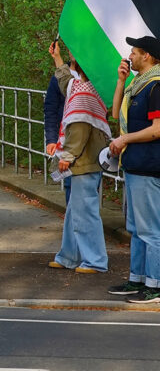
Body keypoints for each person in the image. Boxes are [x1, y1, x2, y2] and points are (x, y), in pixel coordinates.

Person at [46, 41, 109, 274]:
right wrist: (58, 59)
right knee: (75, 211)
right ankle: (69, 256)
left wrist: (68, 156)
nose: (71, 55)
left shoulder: (82, 94)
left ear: (79, 65)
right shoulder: (84, 87)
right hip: (86, 161)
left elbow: (79, 128)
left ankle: (95, 260)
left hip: (83, 161)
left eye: (74, 54)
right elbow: (65, 82)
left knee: (85, 212)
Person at [107, 35, 160, 304]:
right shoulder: (136, 86)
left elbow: (157, 129)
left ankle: (156, 285)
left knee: (150, 229)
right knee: (137, 228)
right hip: (135, 166)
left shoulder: (156, 87)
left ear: (147, 56)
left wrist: (124, 139)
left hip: (149, 166)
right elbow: (115, 113)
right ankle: (137, 279)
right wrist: (120, 81)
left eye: (135, 52)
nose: (130, 55)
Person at [43, 68, 72, 205]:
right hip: (66, 142)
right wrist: (51, 139)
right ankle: (71, 224)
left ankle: (75, 224)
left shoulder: (93, 78)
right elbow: (50, 108)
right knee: (70, 185)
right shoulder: (58, 77)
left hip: (81, 147)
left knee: (83, 189)